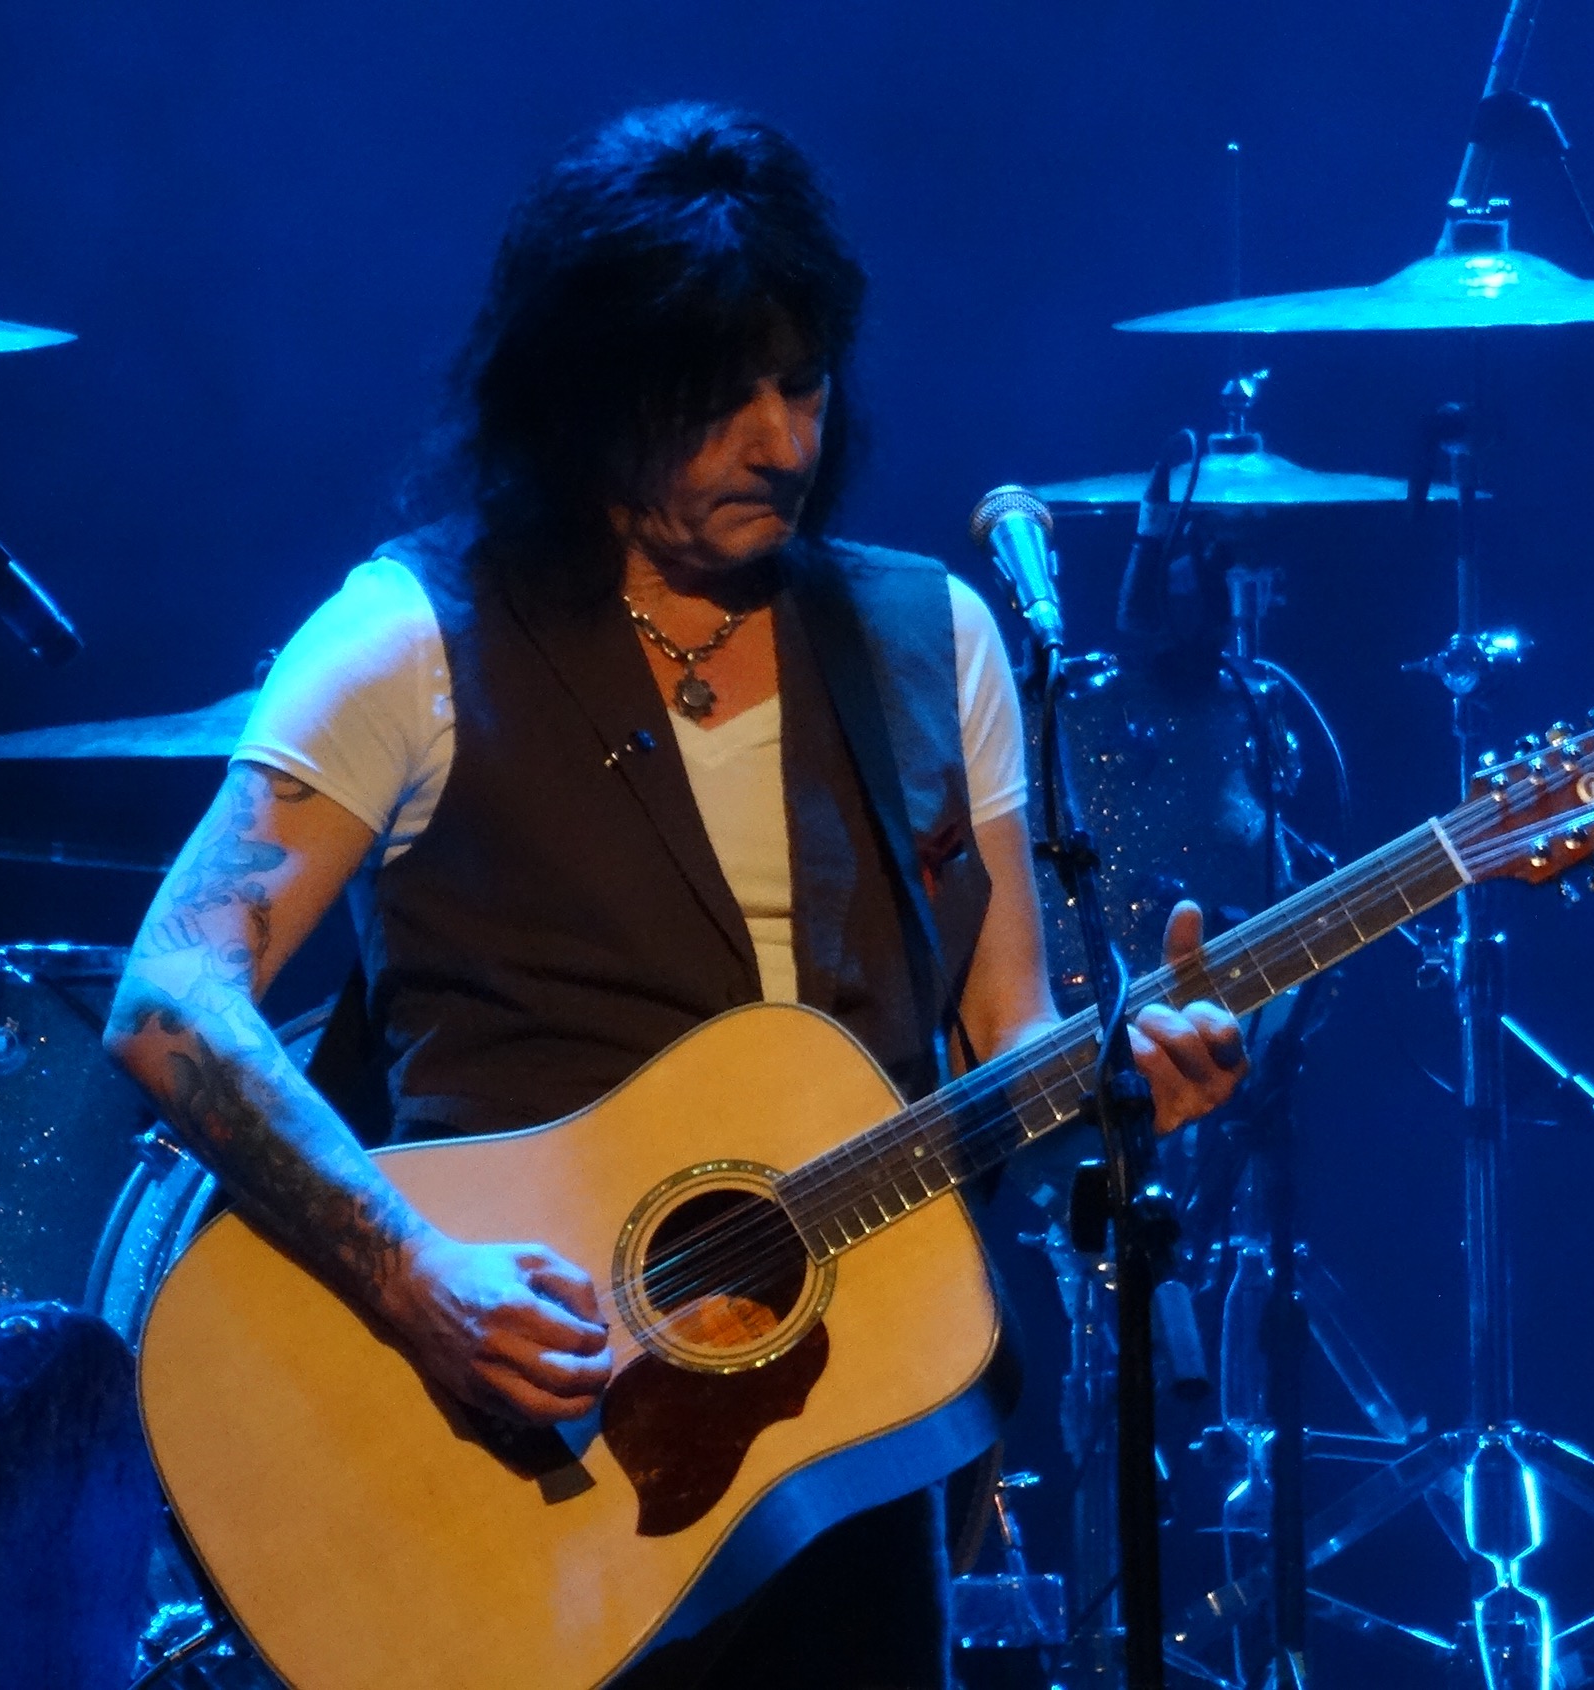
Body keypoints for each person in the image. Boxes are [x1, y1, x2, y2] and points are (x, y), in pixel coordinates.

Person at [105, 102, 1245, 1687]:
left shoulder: (932, 642)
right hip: (518, 1447)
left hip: (846, 1455)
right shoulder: (408, 635)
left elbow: (1011, 1049)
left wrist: (1125, 1081)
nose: (783, 443)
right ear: (589, 394)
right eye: (721, 398)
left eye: (804, 385)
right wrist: (418, 1275)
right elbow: (169, 998)